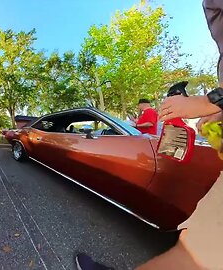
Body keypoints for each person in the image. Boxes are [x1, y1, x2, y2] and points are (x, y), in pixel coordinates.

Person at [76, 1, 223, 269]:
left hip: (169, 141)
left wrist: (209, 101)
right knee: (198, 248)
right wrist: (217, 111)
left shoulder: (150, 114)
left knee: (197, 249)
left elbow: (148, 127)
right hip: (177, 138)